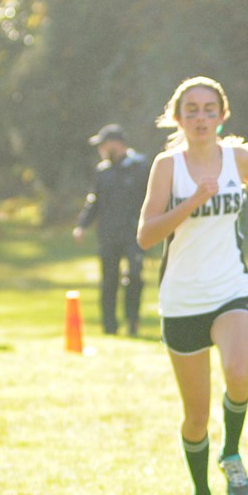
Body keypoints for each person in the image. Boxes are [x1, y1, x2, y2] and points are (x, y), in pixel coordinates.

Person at [137, 75, 248, 495]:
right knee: (195, 415)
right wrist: (194, 200)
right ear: (178, 118)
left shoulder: (239, 158)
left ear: (222, 115)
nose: (201, 117)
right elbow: (146, 235)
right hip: (181, 300)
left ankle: (231, 454)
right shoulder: (167, 167)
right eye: (191, 110)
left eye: (209, 109)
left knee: (238, 374)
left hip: (230, 288)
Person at [73, 124, 150, 336]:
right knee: (109, 281)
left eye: (103, 145)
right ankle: (109, 326)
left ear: (117, 144)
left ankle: (132, 322)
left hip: (134, 233)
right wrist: (82, 225)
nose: (101, 150)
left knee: (134, 277)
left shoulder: (141, 166)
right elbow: (94, 202)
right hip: (108, 234)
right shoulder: (103, 171)